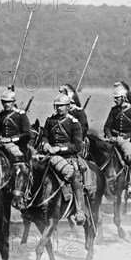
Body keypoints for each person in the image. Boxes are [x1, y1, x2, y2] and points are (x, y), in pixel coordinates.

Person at [40, 94, 86, 225]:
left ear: (68, 107)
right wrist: (46, 144)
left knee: (74, 176)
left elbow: (77, 146)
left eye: (62, 106)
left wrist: (59, 149)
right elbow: (44, 136)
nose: (59, 108)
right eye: (57, 106)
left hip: (68, 157)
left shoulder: (74, 123)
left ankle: (80, 211)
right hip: (50, 155)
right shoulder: (50, 120)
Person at [103, 84, 131, 196]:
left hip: (126, 140)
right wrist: (109, 136)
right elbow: (107, 126)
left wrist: (124, 138)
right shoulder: (114, 110)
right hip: (113, 138)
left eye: (117, 98)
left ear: (124, 97)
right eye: (115, 98)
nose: (115, 100)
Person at [0, 88, 31, 163]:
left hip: (18, 146)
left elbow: (27, 135)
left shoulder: (21, 115)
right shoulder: (0, 115)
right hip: (1, 144)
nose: (6, 104)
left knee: (17, 158)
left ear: (13, 102)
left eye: (9, 102)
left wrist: (10, 139)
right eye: (4, 102)